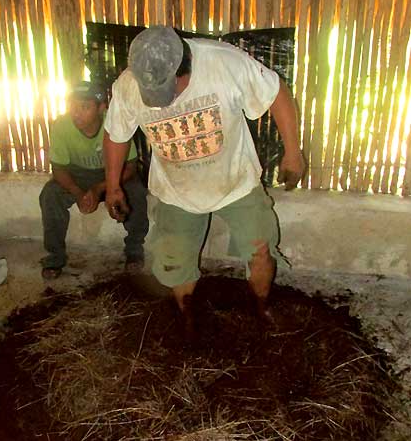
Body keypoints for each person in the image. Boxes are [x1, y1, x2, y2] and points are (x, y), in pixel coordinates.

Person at [103, 26, 305, 324]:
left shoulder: (223, 63)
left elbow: (276, 93)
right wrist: (112, 186)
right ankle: (187, 318)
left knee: (261, 250)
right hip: (176, 190)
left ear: (182, 68)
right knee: (175, 263)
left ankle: (260, 308)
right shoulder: (129, 83)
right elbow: (116, 135)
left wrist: (293, 153)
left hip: (235, 182)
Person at [39, 82, 148, 279]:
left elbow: (130, 167)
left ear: (101, 108)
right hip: (77, 175)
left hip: (111, 175)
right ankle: (54, 257)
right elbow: (59, 169)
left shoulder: (115, 123)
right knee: (50, 195)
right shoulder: (62, 126)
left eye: (84, 107)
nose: (77, 113)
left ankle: (134, 251)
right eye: (73, 106)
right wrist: (78, 193)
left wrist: (100, 188)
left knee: (136, 192)